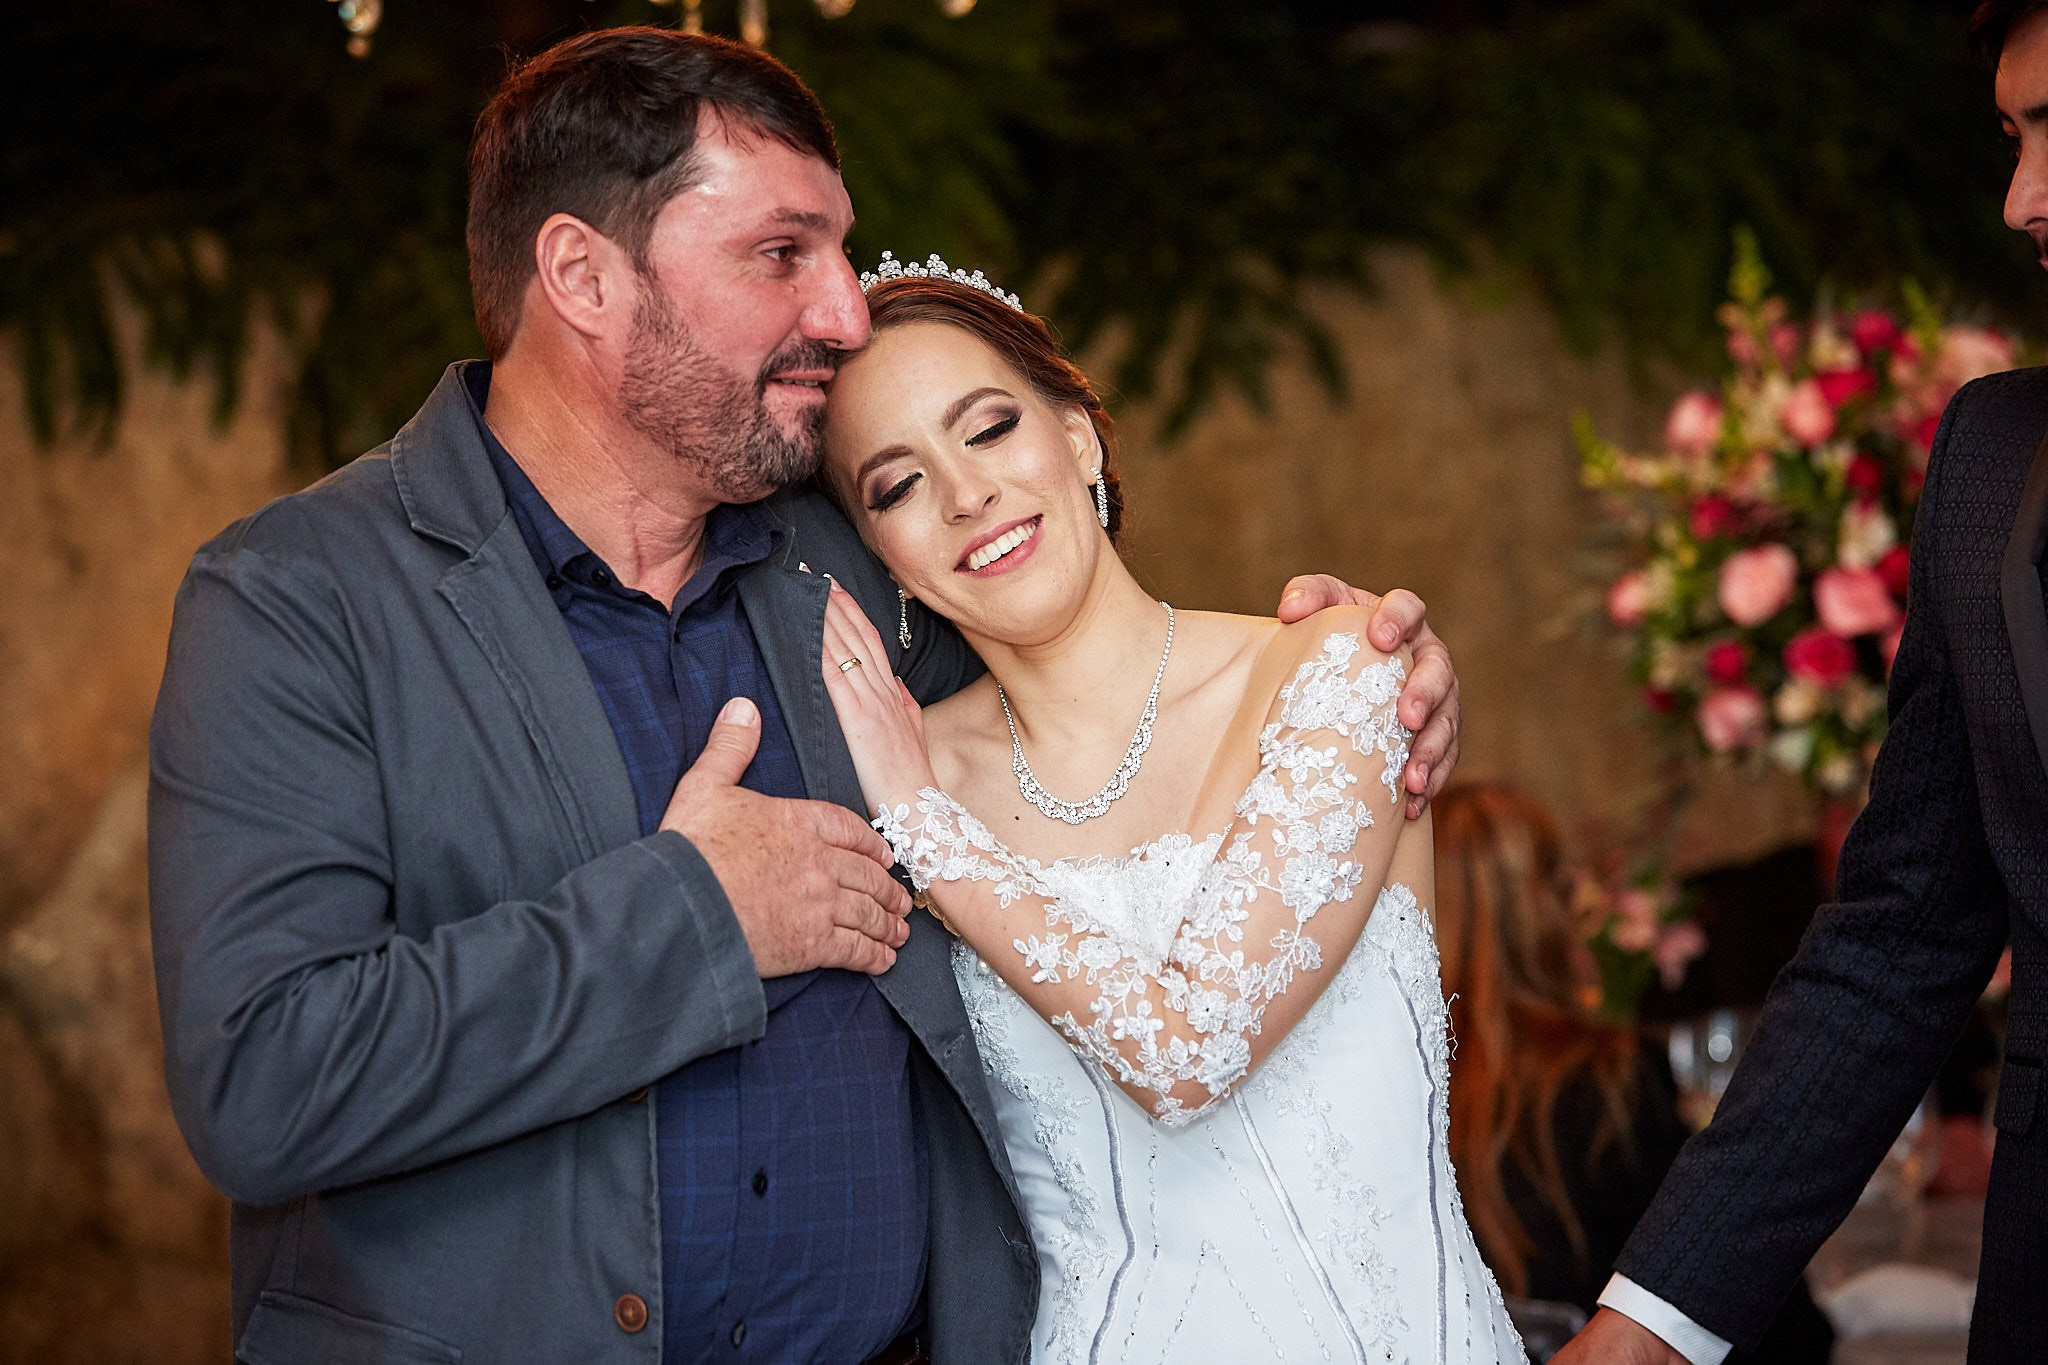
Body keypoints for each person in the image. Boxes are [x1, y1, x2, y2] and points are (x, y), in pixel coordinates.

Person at [146, 26, 1465, 1364]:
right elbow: (264, 1078)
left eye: (838, 251)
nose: (842, 312)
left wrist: (1360, 669)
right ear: (582, 274)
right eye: (782, 255)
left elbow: (1093, 715)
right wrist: (700, 911)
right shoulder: (300, 599)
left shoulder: (850, 560)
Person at [812, 261, 1521, 1362]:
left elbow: (1190, 1049)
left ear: (1077, 437)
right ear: (880, 555)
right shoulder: (883, 770)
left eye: (988, 428)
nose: (965, 495)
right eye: (896, 485)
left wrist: (923, 828)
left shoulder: (1337, 672)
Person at [1556, 3, 2048, 1361]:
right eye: (2011, 141)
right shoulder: (1993, 464)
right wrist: (1645, 1327)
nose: (2021, 200)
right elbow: (1899, 936)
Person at [1431, 785, 1832, 1364]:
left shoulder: (1395, 1084)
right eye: (1560, 882)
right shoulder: (1607, 1078)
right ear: (1538, 907)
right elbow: (1742, 1288)